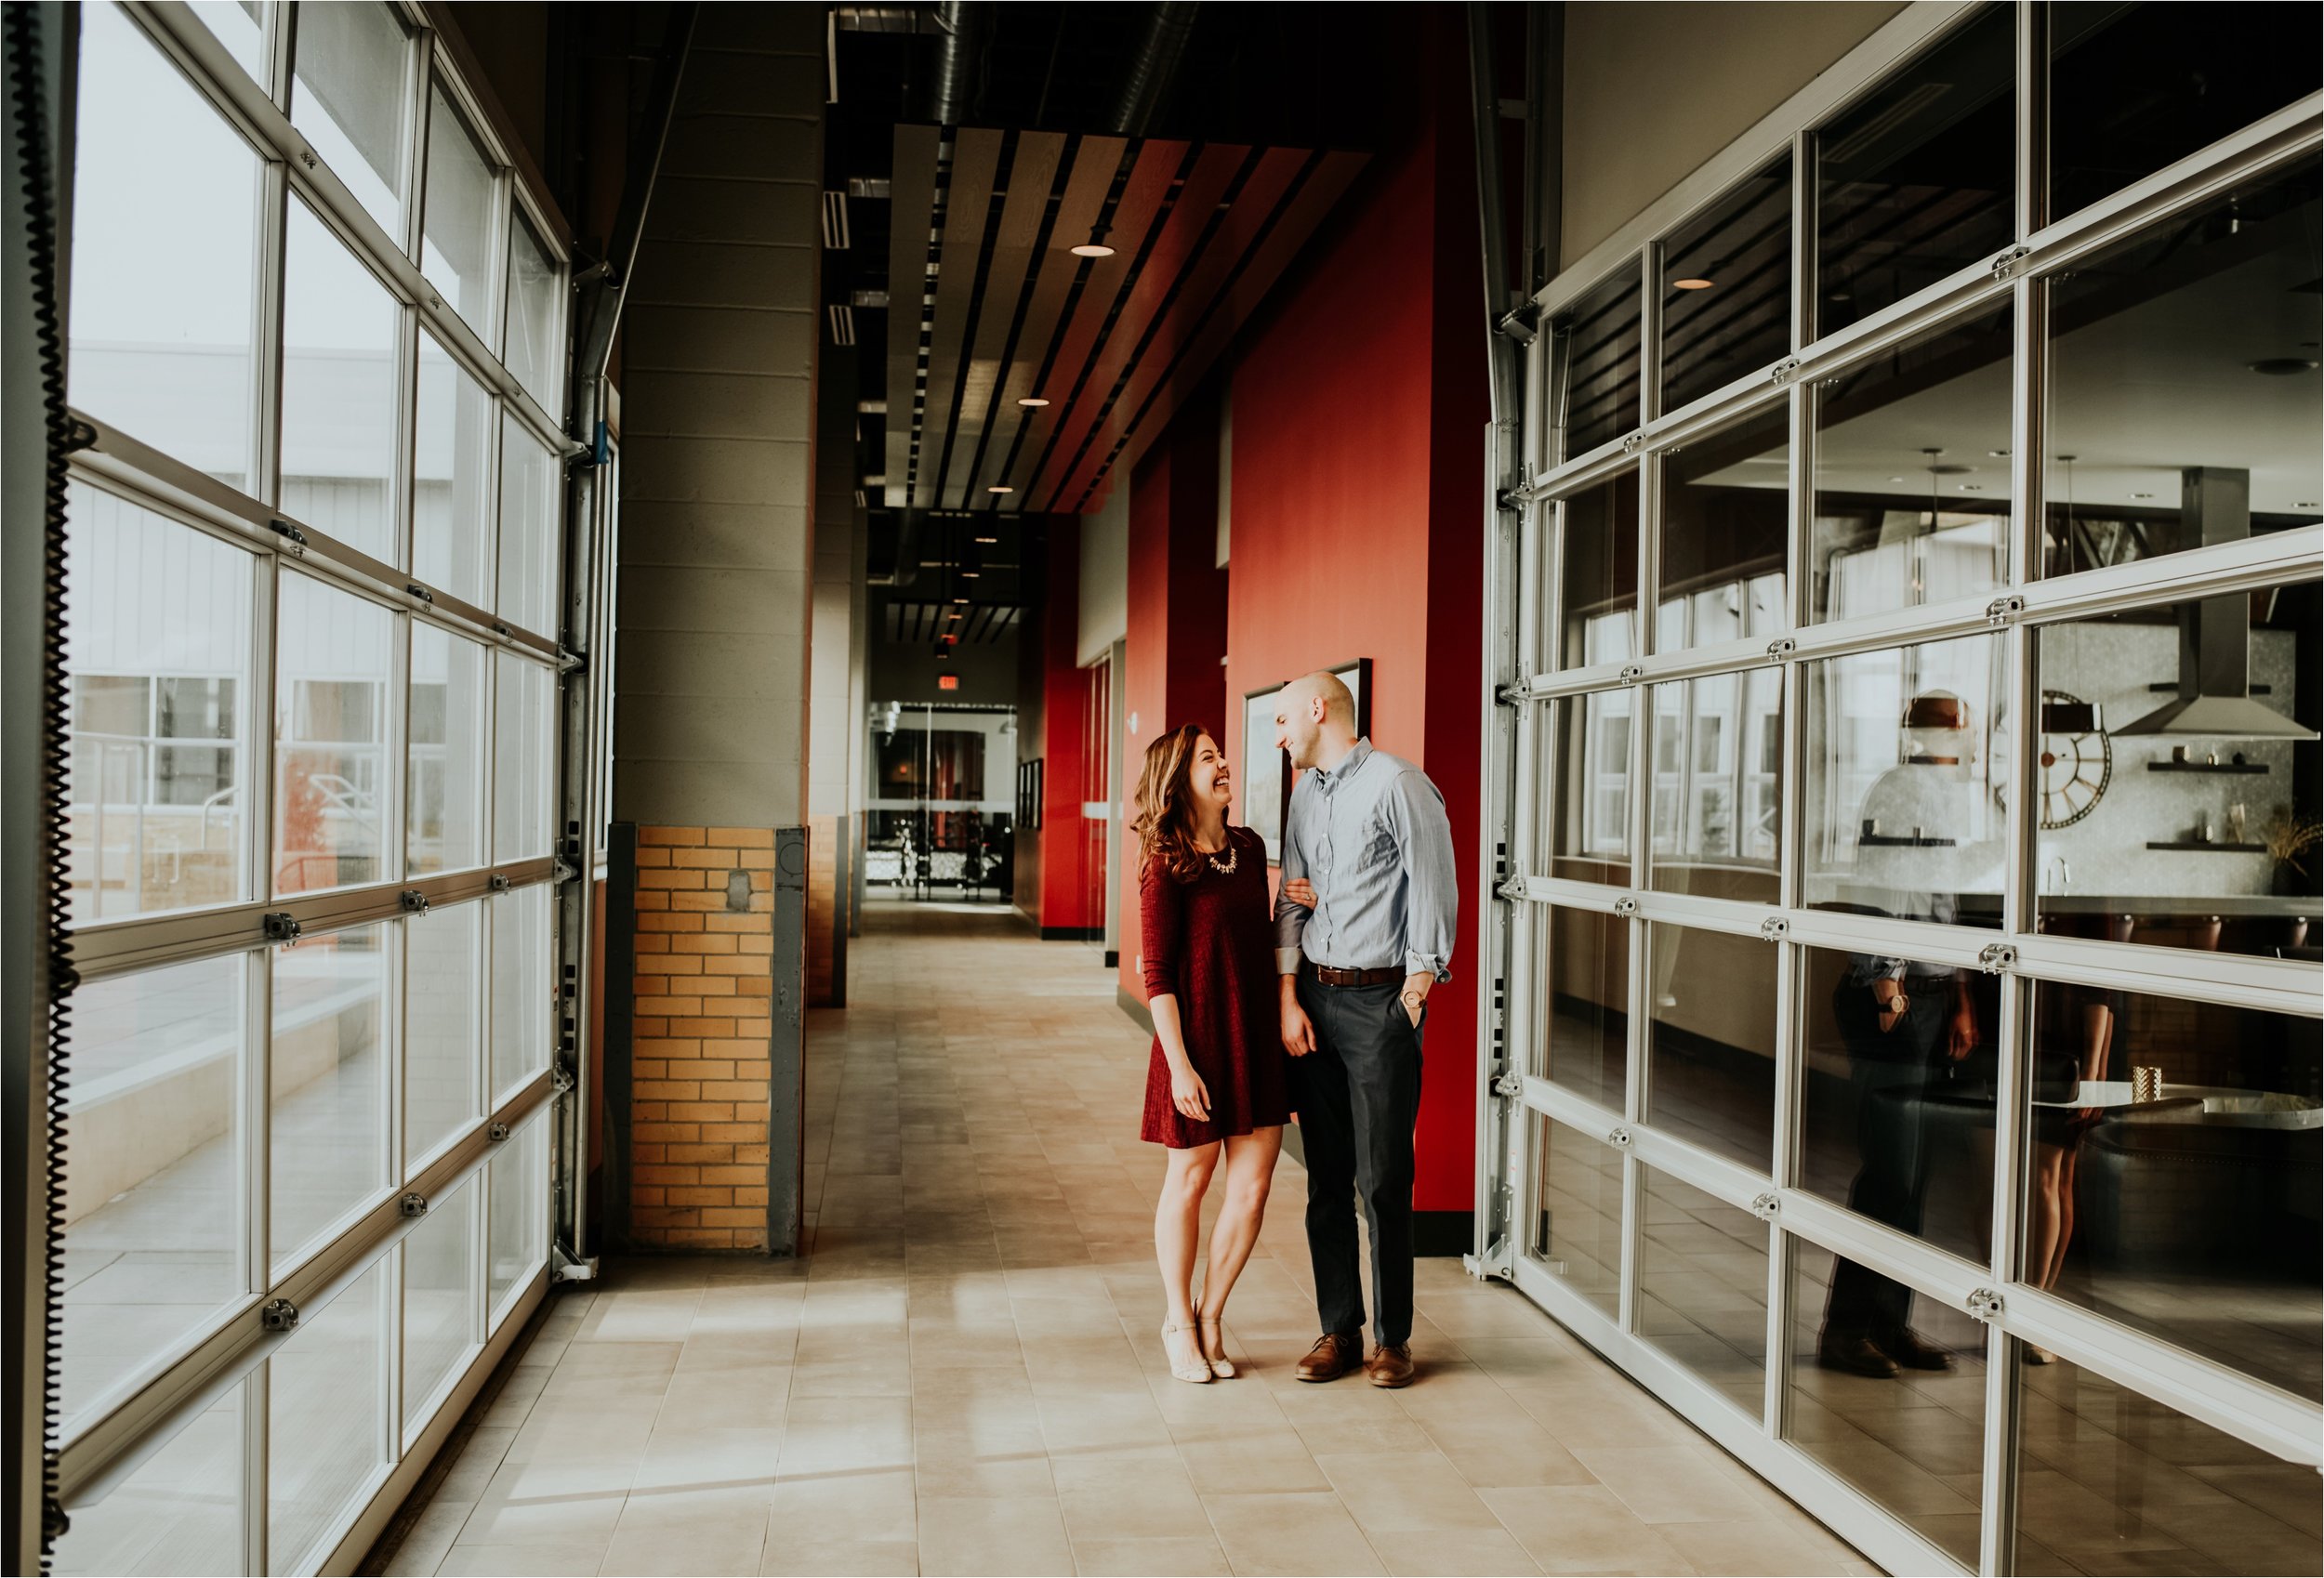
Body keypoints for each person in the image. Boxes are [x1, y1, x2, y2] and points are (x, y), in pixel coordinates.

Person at [1272, 672, 1458, 1388]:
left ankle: (1394, 1339)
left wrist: (1411, 999)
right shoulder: (1303, 797)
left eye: (1285, 718)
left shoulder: (1398, 785)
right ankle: (1338, 1330)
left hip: (1380, 1004)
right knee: (1324, 1179)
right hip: (1314, 1001)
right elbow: (1291, 899)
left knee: (1383, 1181)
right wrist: (1288, 997)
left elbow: (1436, 890)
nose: (1280, 732)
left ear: (1319, 709)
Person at [1131, 724, 1290, 1385]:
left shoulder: (1249, 848)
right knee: (1190, 1182)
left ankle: (1213, 1313)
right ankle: (1178, 1320)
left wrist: (1293, 905)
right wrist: (1179, 1066)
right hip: (1194, 1042)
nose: (1224, 764)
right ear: (1179, 778)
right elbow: (1158, 974)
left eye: (1221, 755)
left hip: (1253, 1036)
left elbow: (1263, 933)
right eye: (1208, 759)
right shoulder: (1164, 863)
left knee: (1251, 1191)